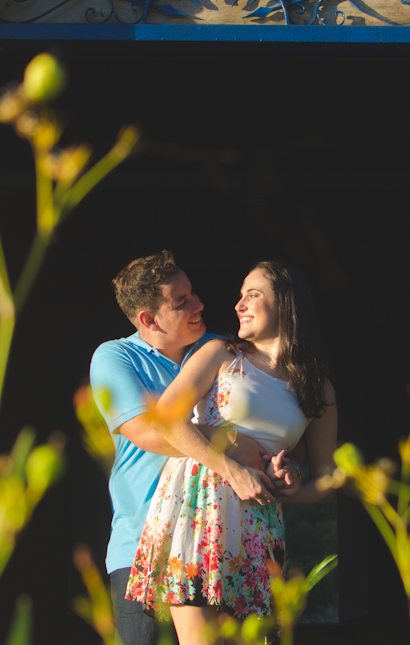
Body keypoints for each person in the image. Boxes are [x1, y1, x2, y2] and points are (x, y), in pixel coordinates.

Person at [125, 261, 338, 645]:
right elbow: (167, 417)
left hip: (259, 524)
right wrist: (232, 469)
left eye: (252, 295)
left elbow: (326, 481)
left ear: (287, 304)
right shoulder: (221, 353)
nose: (239, 304)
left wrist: (293, 486)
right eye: (240, 295)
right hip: (197, 510)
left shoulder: (317, 387)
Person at [90, 251, 272, 645]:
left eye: (193, 293)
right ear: (148, 320)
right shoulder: (115, 357)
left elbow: (265, 421)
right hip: (142, 548)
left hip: (219, 545)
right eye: (181, 301)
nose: (199, 304)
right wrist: (231, 446)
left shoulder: (222, 349)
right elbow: (148, 432)